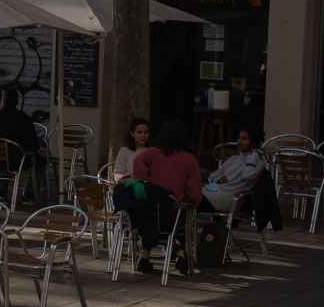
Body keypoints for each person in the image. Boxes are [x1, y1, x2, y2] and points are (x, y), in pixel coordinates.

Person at [123, 121, 206, 275]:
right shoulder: (189, 160)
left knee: (151, 217)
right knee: (180, 219)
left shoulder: (152, 153)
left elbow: (138, 161)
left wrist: (144, 182)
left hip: (150, 211)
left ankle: (145, 255)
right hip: (172, 210)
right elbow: (195, 193)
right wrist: (190, 200)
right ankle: (180, 253)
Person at [203, 129, 264, 212]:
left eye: (244, 139)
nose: (239, 141)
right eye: (239, 138)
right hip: (217, 191)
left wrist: (253, 155)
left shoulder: (256, 161)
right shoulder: (235, 158)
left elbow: (247, 176)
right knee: (190, 191)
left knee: (191, 196)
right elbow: (212, 177)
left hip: (229, 197)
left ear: (253, 143)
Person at [111, 117, 152, 183]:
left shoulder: (152, 152)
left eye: (146, 132)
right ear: (132, 134)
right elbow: (118, 175)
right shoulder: (124, 151)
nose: (143, 135)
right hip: (129, 186)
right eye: (139, 132)